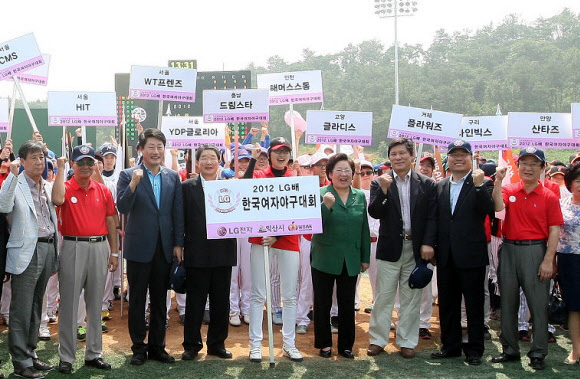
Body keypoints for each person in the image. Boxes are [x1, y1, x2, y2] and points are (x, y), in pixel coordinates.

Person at [491, 147, 563, 371]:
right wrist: (497, 182)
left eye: (534, 164)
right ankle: (509, 349)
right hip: (510, 249)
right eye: (524, 163)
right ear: (518, 166)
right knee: (508, 303)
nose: (528, 168)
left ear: (542, 168)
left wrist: (548, 260)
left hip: (536, 251)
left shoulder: (549, 195)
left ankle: (538, 352)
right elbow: (498, 208)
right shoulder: (509, 189)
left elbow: (554, 230)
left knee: (538, 305)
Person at [117, 128, 184, 366]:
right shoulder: (127, 175)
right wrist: (134, 183)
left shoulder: (172, 176)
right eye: (151, 147)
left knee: (160, 299)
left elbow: (177, 212)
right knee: (137, 299)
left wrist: (178, 243)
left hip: (164, 248)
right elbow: (123, 207)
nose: (156, 151)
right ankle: (138, 347)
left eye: (159, 146)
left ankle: (158, 346)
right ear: (141, 150)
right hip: (138, 248)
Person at [366, 138, 436, 359]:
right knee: (384, 297)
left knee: (411, 297)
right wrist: (385, 191)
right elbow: (375, 212)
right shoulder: (380, 182)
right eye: (393, 154)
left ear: (412, 156)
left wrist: (427, 243)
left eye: (402, 153)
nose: (397, 158)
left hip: (415, 248)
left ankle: (407, 340)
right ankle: (378, 339)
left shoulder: (426, 184)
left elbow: (432, 217)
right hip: (390, 247)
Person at [52, 145, 118, 374]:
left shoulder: (102, 190)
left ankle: (94, 353)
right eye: (81, 162)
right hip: (72, 246)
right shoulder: (65, 186)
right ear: (72, 164)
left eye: (90, 162)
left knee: (96, 303)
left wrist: (115, 251)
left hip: (99, 247)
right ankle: (67, 357)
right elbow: (57, 199)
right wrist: (60, 169)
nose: (86, 167)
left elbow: (111, 221)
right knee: (69, 304)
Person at [431, 140, 494, 366]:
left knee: (474, 304)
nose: (458, 158)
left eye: (463, 155)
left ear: (471, 158)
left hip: (472, 255)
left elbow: (488, 209)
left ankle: (475, 349)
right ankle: (450, 346)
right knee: (447, 303)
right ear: (448, 159)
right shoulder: (440, 185)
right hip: (446, 255)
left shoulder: (482, 182)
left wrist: (478, 186)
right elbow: (436, 219)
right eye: (454, 155)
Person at [0, 141, 58, 379]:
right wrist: (12, 176)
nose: (39, 162)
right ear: (21, 161)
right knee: (22, 309)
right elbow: (3, 205)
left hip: (47, 249)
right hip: (26, 252)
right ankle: (20, 362)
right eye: (33, 158)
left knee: (37, 306)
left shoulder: (45, 185)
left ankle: (31, 353)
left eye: (41, 158)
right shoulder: (16, 184)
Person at [243, 137, 303, 363]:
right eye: (278, 151)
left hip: (287, 239)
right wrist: (252, 159)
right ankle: (255, 345)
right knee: (258, 294)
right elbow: (245, 187)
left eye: (286, 151)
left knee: (289, 295)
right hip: (261, 239)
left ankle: (289, 344)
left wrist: (277, 233)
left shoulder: (295, 176)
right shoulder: (259, 174)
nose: (282, 155)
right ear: (269, 154)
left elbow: (300, 210)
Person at [311, 153, 370, 359]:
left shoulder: (360, 196)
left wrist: (365, 257)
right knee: (322, 303)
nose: (344, 175)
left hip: (351, 258)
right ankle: (324, 344)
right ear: (329, 174)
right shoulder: (320, 193)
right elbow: (313, 226)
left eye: (348, 171)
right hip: (324, 256)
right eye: (339, 170)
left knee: (347, 304)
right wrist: (325, 206)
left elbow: (364, 228)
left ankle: (346, 345)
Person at [181, 145, 237, 360]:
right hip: (197, 251)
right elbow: (180, 219)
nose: (208, 162)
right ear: (197, 163)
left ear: (219, 161)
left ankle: (217, 344)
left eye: (213, 158)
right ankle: (191, 345)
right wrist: (179, 245)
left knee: (221, 301)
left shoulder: (229, 187)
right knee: (195, 301)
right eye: (204, 158)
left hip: (223, 251)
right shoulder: (186, 187)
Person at [559, 162, 580, 365]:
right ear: (570, 183)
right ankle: (576, 350)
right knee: (574, 306)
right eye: (577, 180)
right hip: (569, 261)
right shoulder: (561, 204)